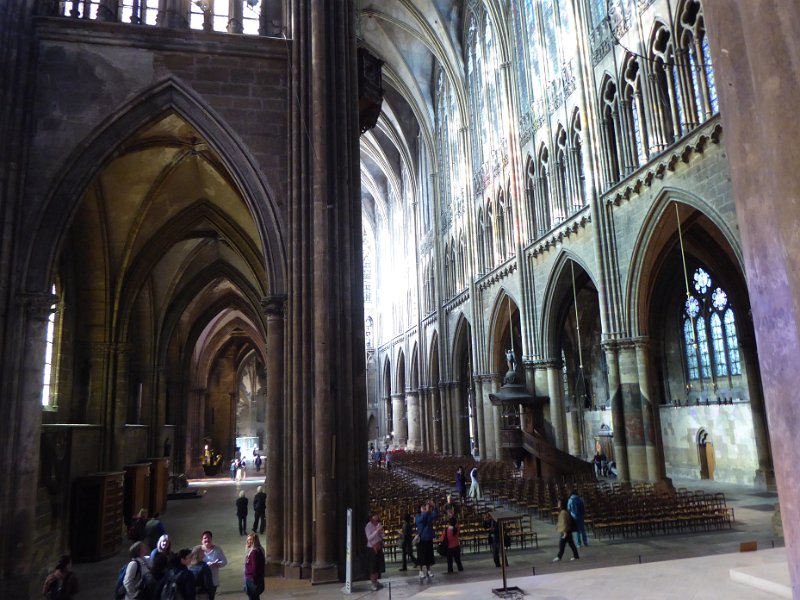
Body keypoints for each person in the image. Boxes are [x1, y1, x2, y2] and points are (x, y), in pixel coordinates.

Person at [415, 500, 439, 581]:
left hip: (428, 537)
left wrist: (434, 506)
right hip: (421, 539)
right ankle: (420, 571)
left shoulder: (428, 514)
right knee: (421, 556)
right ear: (420, 509)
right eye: (422, 507)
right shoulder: (418, 516)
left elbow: (435, 515)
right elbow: (421, 520)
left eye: (425, 507)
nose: (424, 508)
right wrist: (427, 512)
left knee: (429, 556)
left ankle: (428, 571)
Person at [201, 530, 227, 597]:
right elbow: (194, 564)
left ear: (211, 539)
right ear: (202, 540)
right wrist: (208, 565)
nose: (207, 539)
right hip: (201, 581)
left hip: (213, 581)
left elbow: (224, 561)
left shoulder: (217, 549)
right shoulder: (198, 550)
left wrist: (217, 564)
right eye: (205, 538)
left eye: (208, 537)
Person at [364, 512, 385, 591]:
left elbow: (383, 536)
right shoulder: (368, 526)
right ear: (371, 518)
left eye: (377, 516)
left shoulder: (379, 524)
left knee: (378, 565)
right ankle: (373, 583)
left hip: (379, 547)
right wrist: (376, 531)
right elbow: (369, 538)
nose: (376, 518)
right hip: (372, 548)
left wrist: (381, 531)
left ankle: (376, 581)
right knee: (372, 566)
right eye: (374, 517)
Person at [244, 533, 266, 600]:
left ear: (255, 541)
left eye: (250, 540)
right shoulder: (257, 550)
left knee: (253, 598)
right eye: (248, 540)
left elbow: (255, 567)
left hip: (252, 580)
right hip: (254, 580)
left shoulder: (254, 552)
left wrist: (254, 580)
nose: (248, 541)